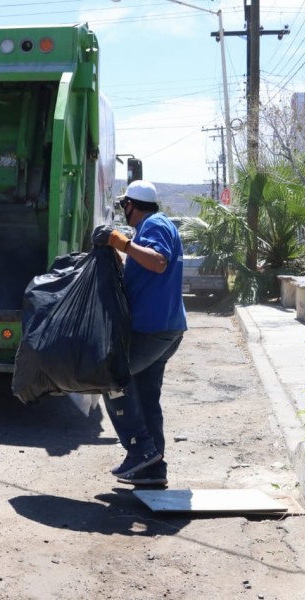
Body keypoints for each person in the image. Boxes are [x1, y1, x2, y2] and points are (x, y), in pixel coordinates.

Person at [91, 180, 187, 486]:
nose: (124, 212)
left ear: (132, 205)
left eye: (124, 206)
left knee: (112, 377)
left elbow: (158, 263)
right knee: (145, 397)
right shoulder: (152, 228)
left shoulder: (155, 224)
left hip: (154, 330)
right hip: (161, 328)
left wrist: (124, 244)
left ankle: (140, 449)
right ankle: (153, 469)